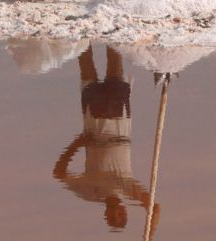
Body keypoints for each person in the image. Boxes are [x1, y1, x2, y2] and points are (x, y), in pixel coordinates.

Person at [52, 45, 157, 233]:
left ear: (105, 216)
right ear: (125, 211)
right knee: (115, 60)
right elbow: (154, 208)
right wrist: (149, 233)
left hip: (94, 118)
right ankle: (112, 26)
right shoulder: (127, 189)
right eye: (121, 216)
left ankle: (82, 27)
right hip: (119, 115)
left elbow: (59, 173)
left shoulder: (90, 192)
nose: (115, 213)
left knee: (85, 63)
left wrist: (77, 143)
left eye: (112, 218)